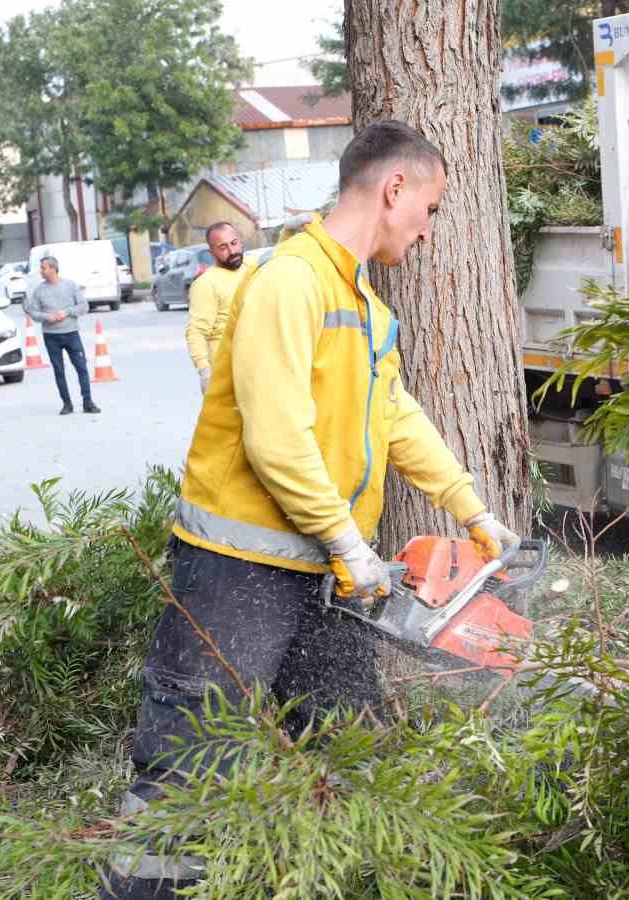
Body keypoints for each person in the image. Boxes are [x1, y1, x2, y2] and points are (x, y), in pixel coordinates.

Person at [100, 121, 524, 899]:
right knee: (194, 755)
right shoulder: (290, 282)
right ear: (393, 190)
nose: (429, 232)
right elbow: (274, 435)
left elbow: (394, 415)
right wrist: (346, 542)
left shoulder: (361, 300)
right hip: (240, 568)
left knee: (346, 740)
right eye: (428, 210)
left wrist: (473, 511)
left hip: (324, 570)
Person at [183, 221, 256, 393]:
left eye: (234, 243)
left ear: (240, 241)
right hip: (227, 373)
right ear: (212, 252)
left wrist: (288, 230)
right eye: (222, 247)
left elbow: (280, 258)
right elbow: (196, 331)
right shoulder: (206, 284)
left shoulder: (252, 266)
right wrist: (204, 372)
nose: (232, 251)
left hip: (257, 367)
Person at [24, 256, 100, 415]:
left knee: (81, 367)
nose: (41, 271)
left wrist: (67, 312)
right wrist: (46, 317)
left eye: (43, 268)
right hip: (51, 336)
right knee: (59, 371)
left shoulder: (70, 285)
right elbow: (32, 312)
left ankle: (87, 402)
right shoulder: (39, 291)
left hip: (71, 334)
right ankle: (67, 404)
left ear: (53, 269)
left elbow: (84, 306)